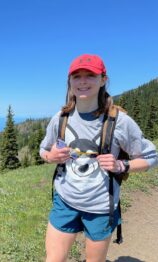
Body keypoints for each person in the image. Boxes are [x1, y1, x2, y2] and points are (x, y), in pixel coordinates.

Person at [39, 54, 158, 262]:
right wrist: (51, 156)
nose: (82, 81)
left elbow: (150, 157)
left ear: (103, 80)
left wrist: (122, 165)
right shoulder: (60, 118)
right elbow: (43, 150)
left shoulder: (120, 121)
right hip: (64, 201)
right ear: (70, 81)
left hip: (100, 208)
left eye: (90, 75)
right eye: (76, 76)